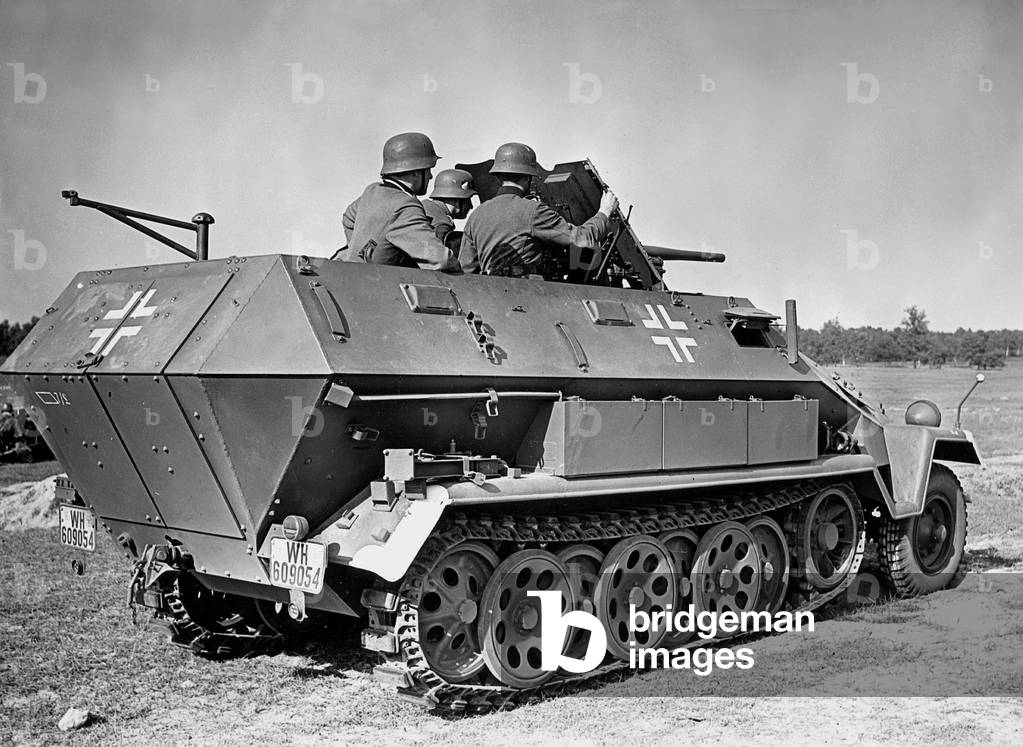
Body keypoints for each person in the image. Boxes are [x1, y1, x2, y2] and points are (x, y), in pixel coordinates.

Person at [459, 142, 618, 276]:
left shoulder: (476, 215)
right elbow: (581, 239)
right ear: (528, 177)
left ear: (499, 176)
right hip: (527, 293)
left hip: (489, 293)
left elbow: (466, 269)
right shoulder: (533, 211)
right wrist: (604, 212)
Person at [340, 132, 458, 271]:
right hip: (383, 282)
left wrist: (365, 251)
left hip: (355, 276)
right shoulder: (405, 206)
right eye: (428, 170)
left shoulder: (372, 190)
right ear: (416, 171)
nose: (431, 176)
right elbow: (441, 260)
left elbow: (348, 219)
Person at [421, 168, 476, 251]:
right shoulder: (441, 225)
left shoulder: (423, 206)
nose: (471, 206)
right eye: (468, 199)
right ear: (457, 199)